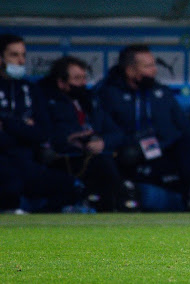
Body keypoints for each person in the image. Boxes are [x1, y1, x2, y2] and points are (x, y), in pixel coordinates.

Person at [96, 44, 190, 210]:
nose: (155, 70)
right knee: (126, 155)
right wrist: (133, 140)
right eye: (148, 66)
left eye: (154, 65)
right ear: (130, 71)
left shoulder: (162, 93)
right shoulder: (108, 94)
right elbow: (106, 132)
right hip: (133, 156)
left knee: (189, 144)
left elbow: (185, 127)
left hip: (164, 154)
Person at [39, 56, 138, 212]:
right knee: (103, 165)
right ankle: (117, 207)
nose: (83, 83)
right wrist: (71, 139)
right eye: (77, 79)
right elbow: (45, 134)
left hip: (97, 155)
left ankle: (118, 205)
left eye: (84, 78)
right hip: (67, 158)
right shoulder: (47, 102)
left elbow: (117, 133)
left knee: (116, 159)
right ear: (62, 83)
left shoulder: (92, 102)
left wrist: (103, 142)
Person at [0, 34, 82, 212]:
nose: (21, 61)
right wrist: (24, 127)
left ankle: (40, 223)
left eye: (23, 55)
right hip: (4, 165)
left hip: (27, 162)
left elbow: (43, 132)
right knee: (10, 182)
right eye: (14, 55)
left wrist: (7, 123)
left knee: (71, 185)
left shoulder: (31, 89)